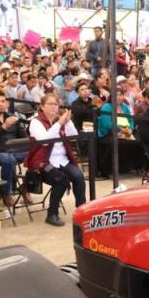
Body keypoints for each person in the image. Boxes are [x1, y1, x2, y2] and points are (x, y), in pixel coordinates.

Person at [25, 93, 85, 226]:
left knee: (79, 176)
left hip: (63, 160)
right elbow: (45, 142)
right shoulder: (36, 122)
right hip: (43, 162)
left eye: (55, 104)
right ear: (42, 106)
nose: (53, 107)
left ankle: (82, 211)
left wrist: (68, 121)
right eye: (50, 104)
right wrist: (59, 123)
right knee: (61, 180)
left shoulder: (61, 120)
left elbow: (73, 136)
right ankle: (52, 214)